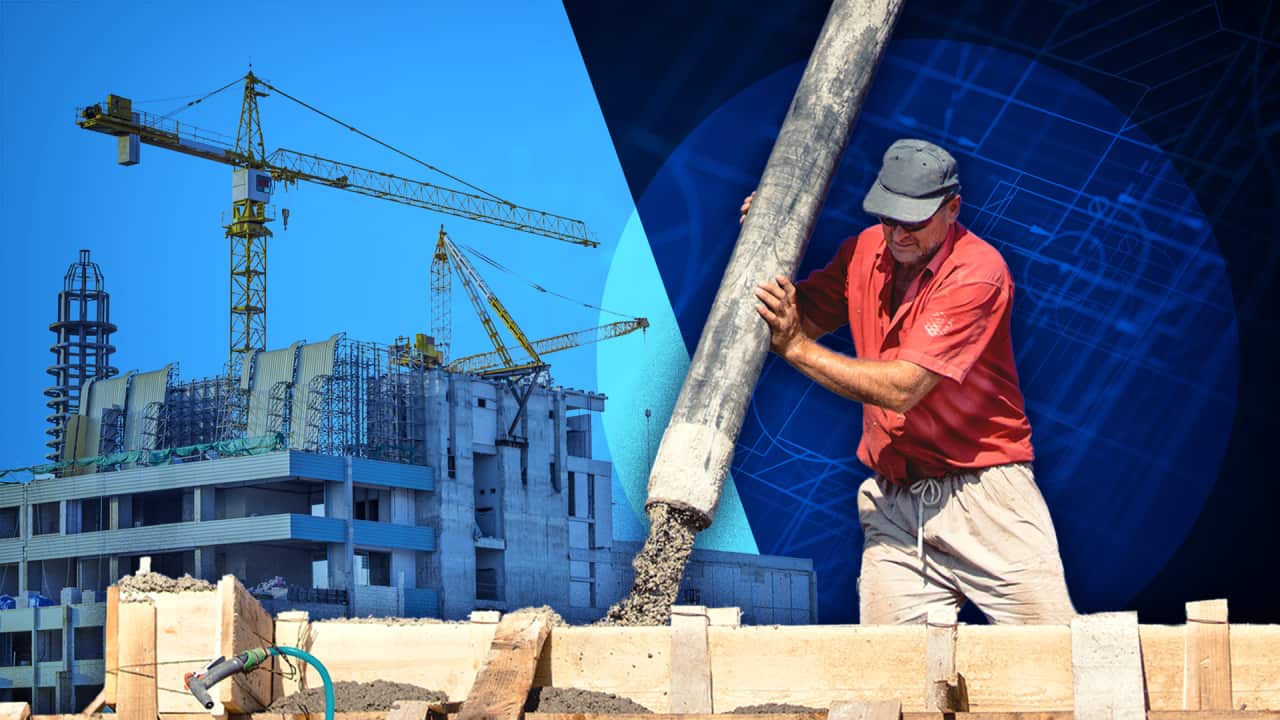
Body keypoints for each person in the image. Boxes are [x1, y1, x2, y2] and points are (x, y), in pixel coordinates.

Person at [745, 139, 1075, 625]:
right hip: (897, 505)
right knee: (893, 671)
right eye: (888, 218)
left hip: (985, 497)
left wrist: (798, 349)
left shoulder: (977, 274)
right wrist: (767, 236)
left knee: (1055, 655)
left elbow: (903, 388)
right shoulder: (864, 251)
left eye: (914, 222)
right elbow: (796, 319)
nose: (898, 235)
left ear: (952, 208)